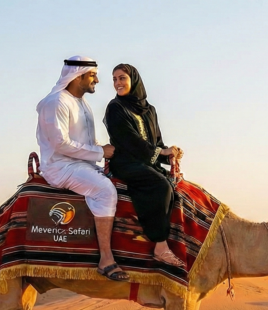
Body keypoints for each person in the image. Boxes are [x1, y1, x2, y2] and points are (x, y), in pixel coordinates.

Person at [36, 56, 129, 281]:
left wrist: (109, 150)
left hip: (82, 164)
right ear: (78, 76)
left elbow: (88, 141)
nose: (97, 80)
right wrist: (100, 153)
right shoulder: (56, 102)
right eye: (92, 75)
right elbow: (60, 144)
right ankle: (106, 259)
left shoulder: (81, 104)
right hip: (61, 167)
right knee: (105, 191)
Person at [103, 64, 184, 266]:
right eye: (114, 79)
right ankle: (160, 246)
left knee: (175, 186)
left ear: (133, 80)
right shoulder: (115, 108)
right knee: (161, 186)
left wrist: (169, 154)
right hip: (125, 161)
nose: (117, 83)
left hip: (145, 161)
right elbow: (129, 140)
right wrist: (159, 153)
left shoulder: (150, 110)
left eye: (122, 78)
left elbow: (156, 143)